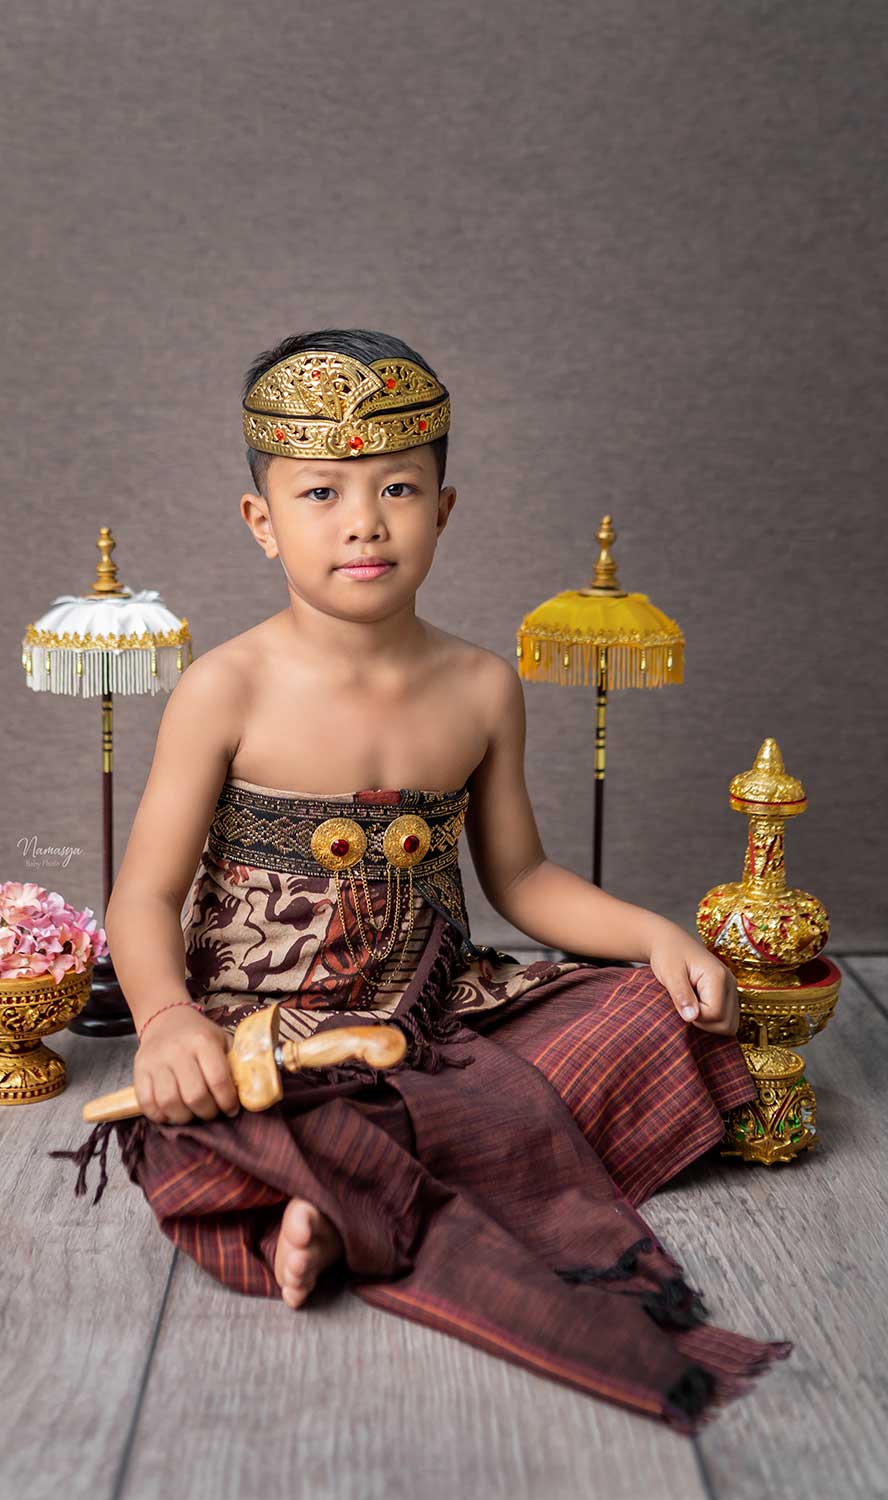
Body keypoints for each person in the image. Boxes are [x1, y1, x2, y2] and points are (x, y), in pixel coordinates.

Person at [50, 327, 791, 1434]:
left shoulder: (480, 685)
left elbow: (522, 878)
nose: (364, 521)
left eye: (397, 487)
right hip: (267, 1031)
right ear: (261, 521)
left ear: (443, 509)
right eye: (320, 493)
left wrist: (657, 937)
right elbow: (145, 897)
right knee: (192, 1121)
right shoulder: (225, 687)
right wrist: (164, 1023)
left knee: (650, 1014)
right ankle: (339, 1181)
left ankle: (340, 1195)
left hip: (437, 1018)